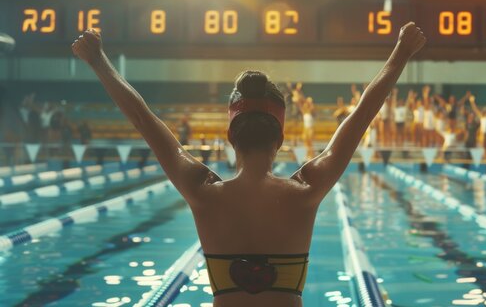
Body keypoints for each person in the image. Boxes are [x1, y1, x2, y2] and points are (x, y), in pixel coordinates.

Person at [72, 24, 425, 307]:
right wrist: (400, 54)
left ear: (231, 137)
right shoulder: (304, 192)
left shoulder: (203, 193)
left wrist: (98, 60)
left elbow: (142, 119)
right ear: (280, 139)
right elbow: (361, 116)